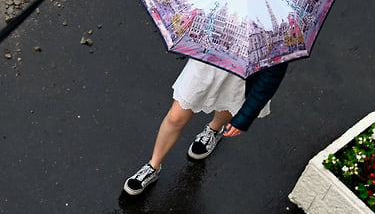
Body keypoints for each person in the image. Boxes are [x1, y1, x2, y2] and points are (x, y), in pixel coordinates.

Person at [123, 58, 288, 195]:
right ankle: (153, 165)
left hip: (242, 75)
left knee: (227, 102)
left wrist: (244, 118)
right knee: (176, 117)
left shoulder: (279, 28)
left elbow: (270, 77)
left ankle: (214, 129)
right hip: (208, 61)